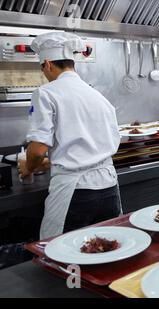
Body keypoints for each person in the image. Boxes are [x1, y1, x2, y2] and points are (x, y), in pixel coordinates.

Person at [18, 32, 121, 239]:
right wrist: (51, 162)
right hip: (109, 187)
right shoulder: (96, 94)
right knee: (106, 250)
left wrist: (28, 168)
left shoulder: (46, 93)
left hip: (75, 191)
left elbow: (37, 150)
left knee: (61, 253)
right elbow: (85, 148)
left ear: (47, 64)